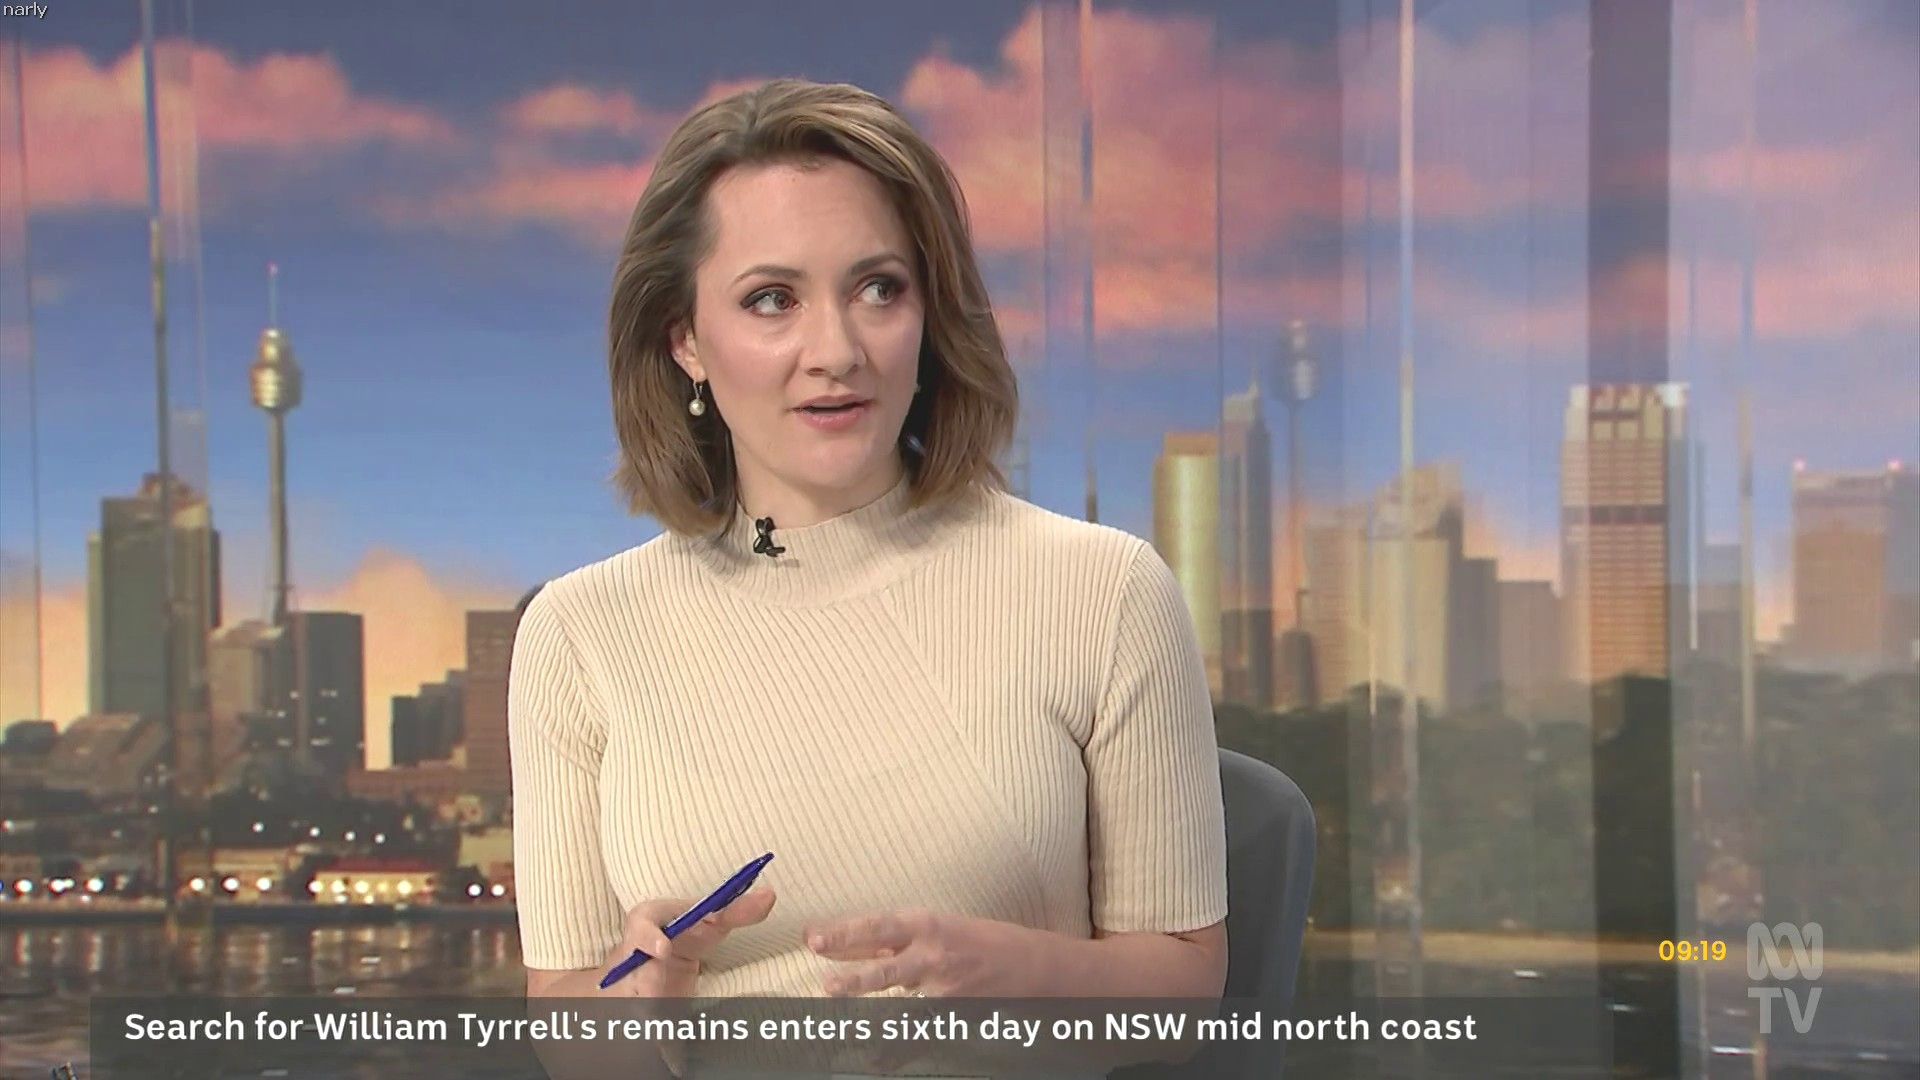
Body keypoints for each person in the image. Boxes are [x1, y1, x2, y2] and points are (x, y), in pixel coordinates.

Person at [510, 78, 1227, 1021]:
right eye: (772, 300)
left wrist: (1025, 970)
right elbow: (565, 1023)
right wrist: (645, 1004)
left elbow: (1187, 987)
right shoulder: (577, 634)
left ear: (930, 317)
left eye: (878, 289)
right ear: (685, 340)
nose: (836, 350)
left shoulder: (1103, 590)